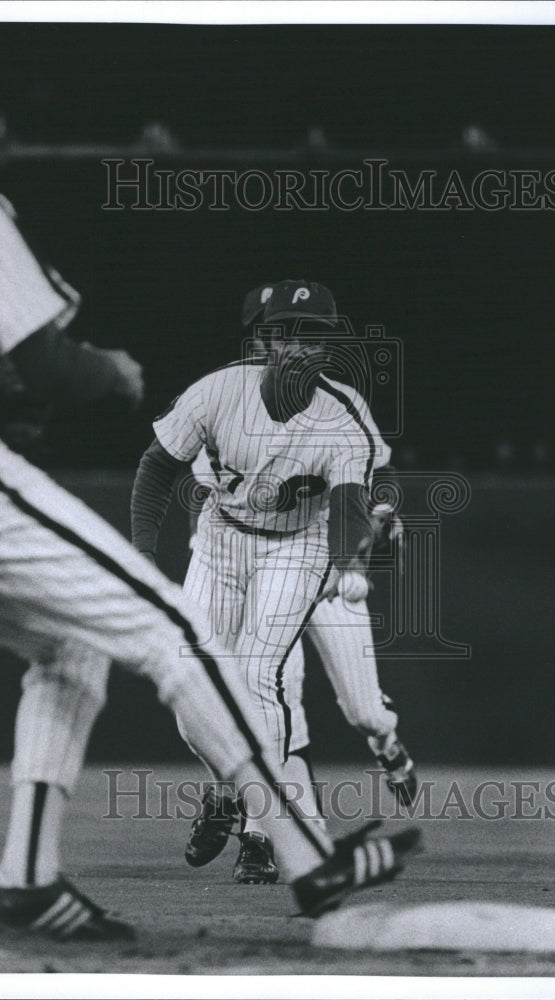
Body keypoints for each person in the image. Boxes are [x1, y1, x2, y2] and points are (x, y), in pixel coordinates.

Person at [0, 40, 420, 941]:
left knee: (69, 647)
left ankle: (26, 881)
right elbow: (55, 369)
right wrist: (112, 373)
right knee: (180, 633)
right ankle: (310, 858)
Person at [131, 278, 411, 885]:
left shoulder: (341, 413)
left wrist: (354, 559)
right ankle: (229, 791)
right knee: (190, 681)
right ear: (263, 339)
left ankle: (262, 833)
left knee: (265, 677)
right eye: (293, 333)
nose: (307, 346)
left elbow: (355, 495)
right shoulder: (214, 394)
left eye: (318, 335)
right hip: (222, 538)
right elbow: (156, 469)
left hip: (302, 546)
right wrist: (141, 555)